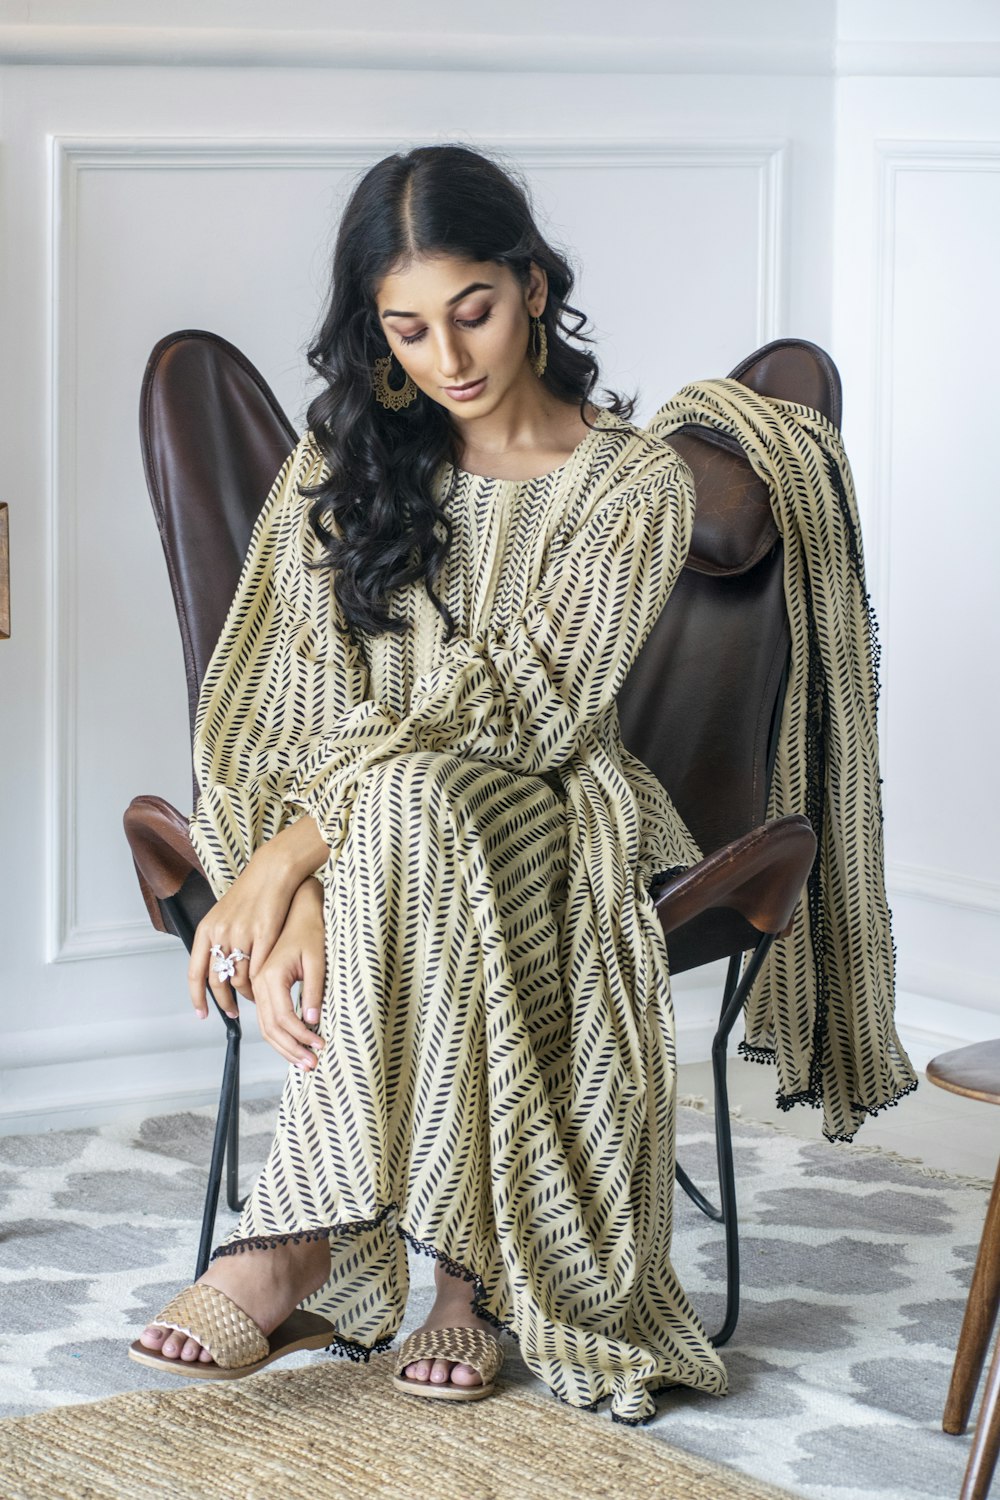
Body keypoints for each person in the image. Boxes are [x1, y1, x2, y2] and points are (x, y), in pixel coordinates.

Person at [129, 142, 729, 1425]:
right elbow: (274, 702)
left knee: (422, 800)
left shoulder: (630, 483)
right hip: (377, 826)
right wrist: (301, 894)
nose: (447, 359)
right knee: (407, 807)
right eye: (406, 329)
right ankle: (452, 1275)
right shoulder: (345, 459)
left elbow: (527, 702)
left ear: (531, 283)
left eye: (475, 313)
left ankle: (304, 1244)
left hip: (557, 805)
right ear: (373, 332)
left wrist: (298, 860)